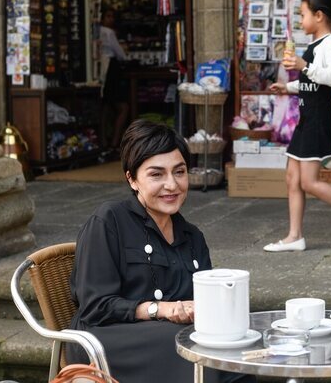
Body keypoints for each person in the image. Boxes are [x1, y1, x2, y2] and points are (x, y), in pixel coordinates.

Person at [67, 120, 254, 383]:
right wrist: (160, 309)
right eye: (157, 175)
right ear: (132, 179)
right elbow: (96, 306)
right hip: (107, 338)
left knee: (236, 352)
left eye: (179, 172)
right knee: (198, 355)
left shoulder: (192, 236)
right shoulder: (109, 220)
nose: (172, 185)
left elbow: (203, 302)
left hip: (168, 335)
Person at [266, 0, 331, 252]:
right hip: (306, 118)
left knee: (308, 181)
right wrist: (287, 87)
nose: (301, 21)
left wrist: (303, 64)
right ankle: (294, 236)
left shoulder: (330, 43)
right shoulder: (315, 45)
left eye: (303, 15)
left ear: (319, 15)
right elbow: (311, 82)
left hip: (317, 121)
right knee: (292, 178)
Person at [99, 7, 130, 150]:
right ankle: (114, 142)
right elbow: (120, 54)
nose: (110, 19)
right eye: (108, 16)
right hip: (112, 69)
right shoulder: (109, 33)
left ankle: (104, 140)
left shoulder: (96, 31)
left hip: (101, 69)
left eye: (112, 16)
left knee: (105, 106)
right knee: (122, 107)